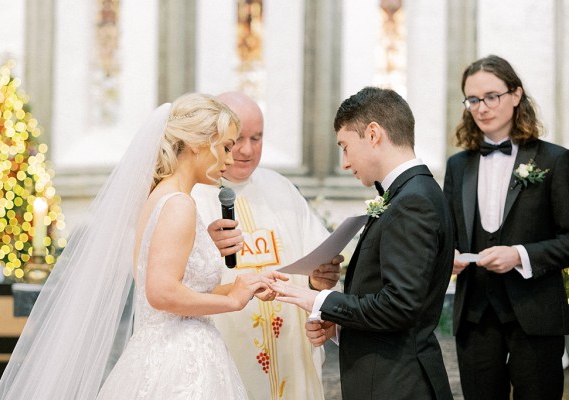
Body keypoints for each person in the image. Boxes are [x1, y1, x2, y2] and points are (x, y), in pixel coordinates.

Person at [0, 93, 287, 399]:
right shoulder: (179, 204)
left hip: (162, 350)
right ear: (199, 143)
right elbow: (161, 293)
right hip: (181, 359)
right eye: (226, 146)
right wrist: (232, 301)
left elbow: (181, 291)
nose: (230, 157)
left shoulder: (161, 196)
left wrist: (242, 286)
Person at [269, 87, 455, 400]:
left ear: (372, 134)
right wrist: (340, 325)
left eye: (344, 146)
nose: (344, 162)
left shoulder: (412, 202)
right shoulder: (408, 194)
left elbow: (399, 306)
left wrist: (318, 300)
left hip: (400, 385)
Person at [191, 92, 342, 400]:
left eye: (257, 138)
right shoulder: (193, 196)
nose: (247, 150)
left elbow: (316, 260)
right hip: (224, 350)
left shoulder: (281, 189)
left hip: (289, 350)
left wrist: (319, 279)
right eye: (237, 139)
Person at [443, 55, 569, 400]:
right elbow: (448, 237)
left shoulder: (554, 160)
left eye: (491, 96)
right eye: (472, 99)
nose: (481, 108)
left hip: (536, 314)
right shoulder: (458, 166)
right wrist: (448, 257)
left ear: (515, 94)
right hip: (474, 315)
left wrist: (520, 255)